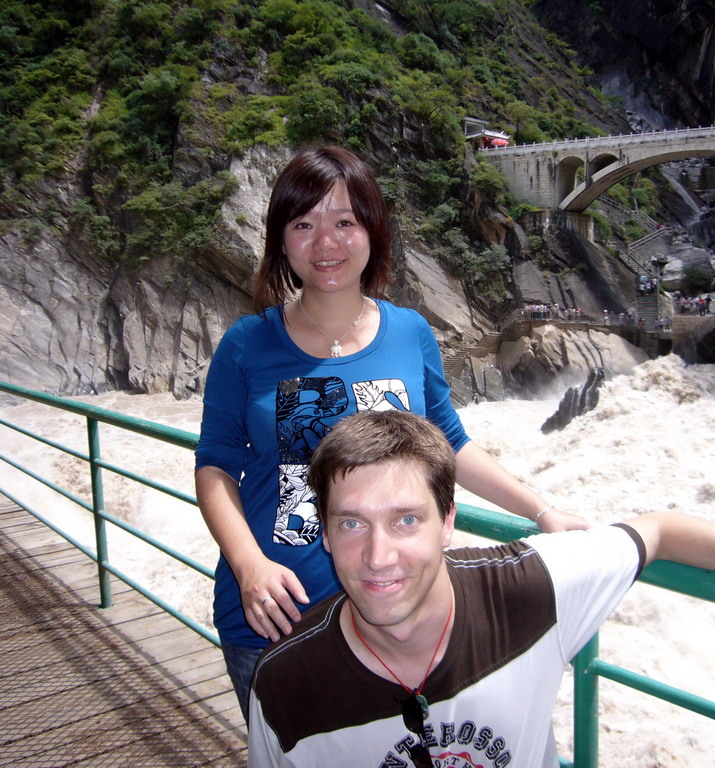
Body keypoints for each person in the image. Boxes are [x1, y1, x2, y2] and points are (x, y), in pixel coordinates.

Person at [247, 410, 715, 767]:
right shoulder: (285, 685)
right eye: (351, 524)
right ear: (325, 534)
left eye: (406, 520)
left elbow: (662, 530)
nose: (378, 555)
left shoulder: (530, 591)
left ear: (448, 521)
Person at [194, 146, 589, 721]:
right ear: (281, 239)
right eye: (303, 224)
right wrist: (248, 564)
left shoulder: (409, 333)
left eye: (344, 222)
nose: (325, 242)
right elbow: (215, 467)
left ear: (373, 232)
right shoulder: (246, 344)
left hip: (395, 614)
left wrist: (541, 510)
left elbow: (449, 443)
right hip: (275, 616)